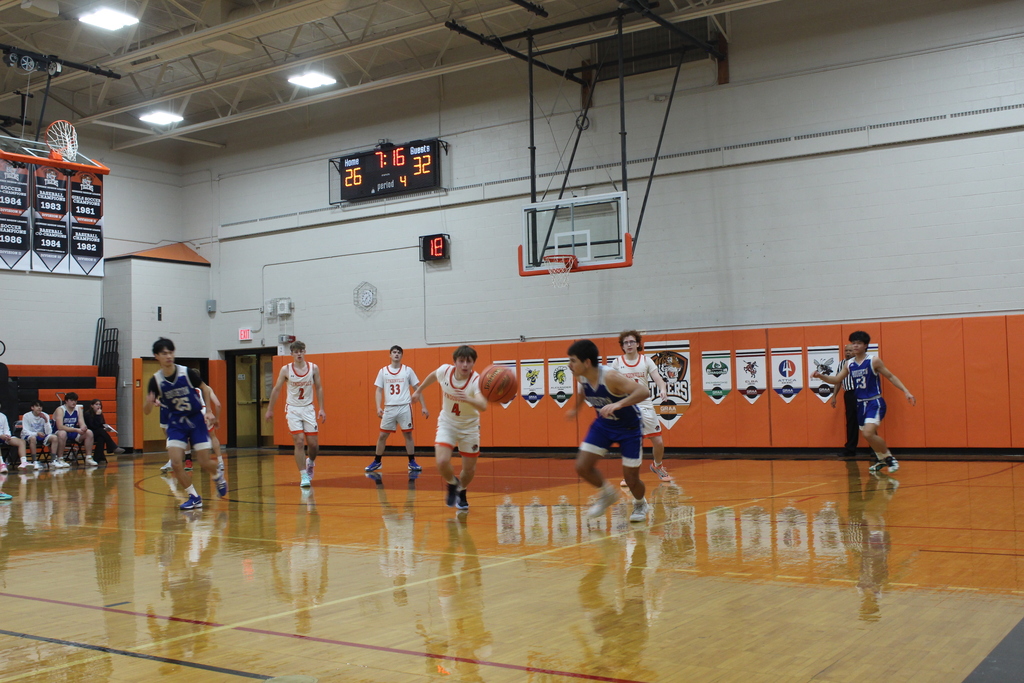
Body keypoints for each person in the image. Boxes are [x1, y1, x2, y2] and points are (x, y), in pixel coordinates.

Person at [566, 339, 651, 522]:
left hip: (629, 428)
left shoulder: (610, 377)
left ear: (587, 362)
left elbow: (643, 392)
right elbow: (583, 391)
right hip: (604, 425)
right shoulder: (582, 377)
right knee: (582, 466)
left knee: (631, 479)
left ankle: (640, 503)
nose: (569, 365)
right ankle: (607, 494)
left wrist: (619, 403)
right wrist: (576, 408)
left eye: (573, 360)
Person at [813, 331, 915, 473]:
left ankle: (889, 458)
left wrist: (906, 391)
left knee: (867, 433)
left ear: (865, 345)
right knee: (870, 435)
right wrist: (821, 376)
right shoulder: (849, 364)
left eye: (858, 343)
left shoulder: (873, 361)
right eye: (853, 343)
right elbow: (836, 380)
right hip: (860, 403)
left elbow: (891, 376)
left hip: (874, 402)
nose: (855, 345)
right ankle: (881, 459)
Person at [143, 337, 227, 510]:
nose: (168, 356)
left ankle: (218, 475)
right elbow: (146, 411)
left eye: (171, 352)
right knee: (175, 463)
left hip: (195, 419)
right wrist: (148, 402)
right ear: (156, 356)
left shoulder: (187, 372)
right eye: (164, 353)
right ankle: (194, 496)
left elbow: (205, 388)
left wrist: (209, 410)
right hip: (176, 422)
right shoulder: (155, 380)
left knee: (204, 462)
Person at [411, 345, 487, 511]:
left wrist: (468, 399)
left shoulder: (476, 381)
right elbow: (433, 376)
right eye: (461, 361)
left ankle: (462, 490)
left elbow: (483, 405)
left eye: (469, 361)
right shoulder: (445, 371)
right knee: (442, 461)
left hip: (470, 427)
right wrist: (419, 391)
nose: (465, 365)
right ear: (455, 362)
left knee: (469, 470)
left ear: (473, 363)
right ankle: (453, 483)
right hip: (448, 423)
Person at [609, 330, 671, 483]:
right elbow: (610, 384)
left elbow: (659, 379)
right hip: (627, 406)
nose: (629, 345)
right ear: (622, 346)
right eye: (625, 342)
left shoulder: (646, 361)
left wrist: (663, 389)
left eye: (631, 342)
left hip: (645, 404)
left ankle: (658, 466)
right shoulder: (617, 363)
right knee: (631, 443)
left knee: (658, 442)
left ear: (637, 344)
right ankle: (628, 475)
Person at [266, 340, 326, 488]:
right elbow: (276, 389)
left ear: (304, 352)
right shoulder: (286, 370)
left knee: (313, 445)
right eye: (296, 351)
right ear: (292, 354)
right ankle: (303, 475)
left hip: (308, 408)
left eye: (301, 351)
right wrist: (270, 409)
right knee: (299, 441)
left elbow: (318, 388)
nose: (299, 354)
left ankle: (310, 462)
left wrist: (322, 408)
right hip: (293, 409)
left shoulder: (313, 368)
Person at [366, 345, 428, 473]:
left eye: (399, 352)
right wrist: (378, 407)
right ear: (390, 355)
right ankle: (377, 461)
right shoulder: (383, 371)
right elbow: (378, 390)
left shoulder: (407, 370)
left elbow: (418, 388)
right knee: (382, 435)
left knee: (408, 434)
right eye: (394, 352)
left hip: (405, 406)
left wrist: (424, 406)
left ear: (401, 355)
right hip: (389, 408)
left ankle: (412, 461)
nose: (396, 354)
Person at [52, 392, 98, 467]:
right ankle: (60, 458)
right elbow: (60, 426)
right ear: (66, 401)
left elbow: (81, 423)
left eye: (75, 401)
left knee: (89, 432)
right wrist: (76, 430)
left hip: (72, 432)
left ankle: (88, 457)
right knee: (62, 433)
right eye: (72, 400)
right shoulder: (60, 409)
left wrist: (83, 427)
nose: (74, 402)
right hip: (59, 433)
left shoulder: (78, 409)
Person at [830, 344, 859, 457]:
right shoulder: (842, 363)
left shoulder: (860, 362)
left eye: (850, 350)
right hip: (849, 394)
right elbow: (838, 381)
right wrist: (834, 396)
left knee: (866, 421)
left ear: (855, 351)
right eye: (846, 350)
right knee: (851, 421)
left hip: (861, 393)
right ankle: (850, 449)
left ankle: (874, 450)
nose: (847, 352)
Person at [19, 401, 58, 470]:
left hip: (41, 435)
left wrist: (46, 421)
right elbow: (25, 431)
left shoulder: (45, 415)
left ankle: (53, 460)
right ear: (32, 408)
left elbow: (49, 432)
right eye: (37, 406)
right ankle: (34, 461)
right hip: (28, 435)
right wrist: (36, 433)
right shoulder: (26, 416)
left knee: (54, 437)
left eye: (40, 406)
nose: (39, 408)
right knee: (33, 438)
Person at [84, 399, 125, 463]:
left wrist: (106, 428)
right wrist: (97, 416)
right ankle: (113, 447)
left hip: (98, 433)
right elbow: (93, 426)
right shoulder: (87, 414)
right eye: (96, 404)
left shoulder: (100, 413)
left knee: (101, 438)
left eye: (99, 404)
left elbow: (102, 424)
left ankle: (98, 458)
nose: (98, 406)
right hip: (89, 434)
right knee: (101, 432)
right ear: (92, 406)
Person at [0, 406, 27, 476]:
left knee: (21, 442)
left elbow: (6, 429)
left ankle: (23, 462)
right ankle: (1, 464)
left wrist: (7, 435)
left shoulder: (3, 416)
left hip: (4, 437)